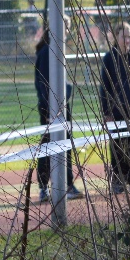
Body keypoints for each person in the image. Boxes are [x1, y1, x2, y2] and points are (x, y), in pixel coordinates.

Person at [33, 22, 82, 203]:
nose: (67, 31)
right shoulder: (46, 52)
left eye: (68, 27)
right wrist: (49, 109)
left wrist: (67, 94)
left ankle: (67, 185)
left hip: (62, 109)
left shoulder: (58, 51)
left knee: (66, 145)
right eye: (64, 27)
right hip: (50, 111)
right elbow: (43, 85)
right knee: (47, 147)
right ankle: (44, 188)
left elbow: (62, 84)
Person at [99, 22, 130, 193]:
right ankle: (118, 181)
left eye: (129, 36)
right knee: (118, 146)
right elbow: (104, 87)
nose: (127, 40)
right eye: (123, 36)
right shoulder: (109, 58)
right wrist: (106, 112)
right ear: (116, 37)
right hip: (116, 113)